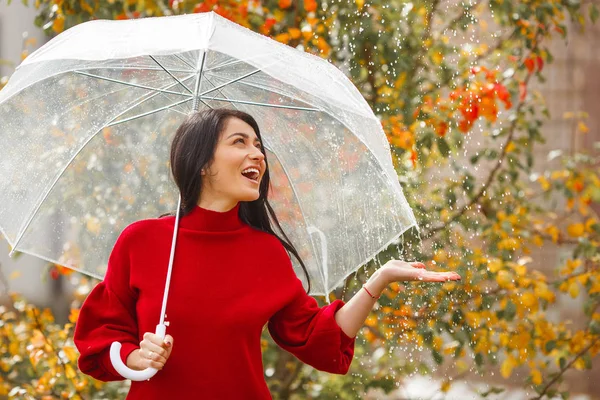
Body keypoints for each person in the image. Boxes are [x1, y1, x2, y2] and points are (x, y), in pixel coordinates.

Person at [73, 108, 461, 399]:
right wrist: (133, 358)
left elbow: (318, 338)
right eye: (239, 142)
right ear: (203, 163)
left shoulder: (266, 252)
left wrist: (381, 278)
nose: (257, 155)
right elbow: (99, 337)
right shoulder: (143, 241)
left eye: (258, 145)